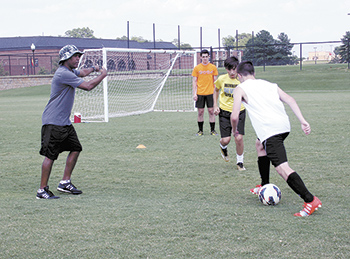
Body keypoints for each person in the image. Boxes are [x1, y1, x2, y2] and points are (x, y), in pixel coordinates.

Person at [231, 61, 322, 217]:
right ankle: (264, 184)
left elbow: (234, 116)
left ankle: (310, 200)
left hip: (270, 130)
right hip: (283, 126)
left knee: (282, 168)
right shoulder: (270, 85)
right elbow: (291, 99)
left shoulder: (240, 88)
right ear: (253, 73)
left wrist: (235, 131)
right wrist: (302, 120)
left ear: (239, 75)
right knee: (259, 145)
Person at [36, 45, 107, 199]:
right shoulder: (63, 74)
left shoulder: (69, 72)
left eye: (78, 56)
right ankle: (42, 190)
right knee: (50, 156)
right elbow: (88, 86)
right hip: (53, 122)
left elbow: (82, 72)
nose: (78, 59)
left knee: (76, 148)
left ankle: (65, 182)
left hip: (64, 122)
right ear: (66, 58)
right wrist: (103, 75)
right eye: (75, 56)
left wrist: (94, 68)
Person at [213, 56, 246, 171]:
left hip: (239, 111)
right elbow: (216, 90)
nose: (232, 72)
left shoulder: (243, 80)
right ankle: (223, 147)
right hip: (224, 112)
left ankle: (240, 162)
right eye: (229, 69)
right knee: (226, 139)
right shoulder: (222, 79)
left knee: (239, 138)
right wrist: (215, 105)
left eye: (234, 69)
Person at [192, 49, 219, 136]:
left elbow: (215, 81)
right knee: (200, 112)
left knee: (211, 111)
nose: (205, 58)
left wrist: (215, 93)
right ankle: (200, 131)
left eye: (206, 57)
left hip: (210, 93)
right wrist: (194, 93)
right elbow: (194, 81)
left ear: (209, 57)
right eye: (203, 57)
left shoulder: (213, 67)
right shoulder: (197, 68)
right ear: (200, 57)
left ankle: (213, 130)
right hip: (200, 93)